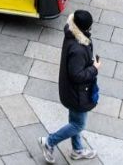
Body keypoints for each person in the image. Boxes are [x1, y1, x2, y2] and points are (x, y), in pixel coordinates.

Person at [39, 10, 101, 162]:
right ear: (83, 28)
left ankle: (77, 150)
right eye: (89, 28)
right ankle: (49, 142)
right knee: (78, 125)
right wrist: (94, 68)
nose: (90, 30)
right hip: (77, 94)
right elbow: (77, 75)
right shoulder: (78, 48)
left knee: (75, 121)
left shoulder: (72, 34)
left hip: (71, 91)